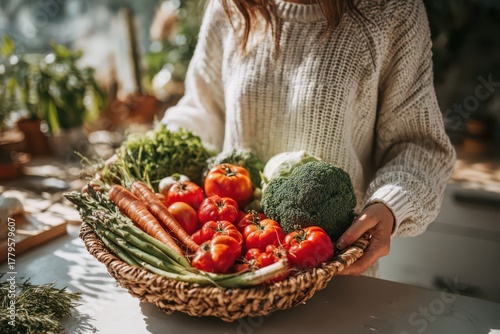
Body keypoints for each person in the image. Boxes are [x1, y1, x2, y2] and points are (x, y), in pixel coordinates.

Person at [160, 0, 456, 276]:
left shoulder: (392, 11)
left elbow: (420, 146)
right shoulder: (231, 6)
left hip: (334, 274)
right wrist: (155, 151)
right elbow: (202, 110)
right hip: (235, 265)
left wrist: (390, 205)